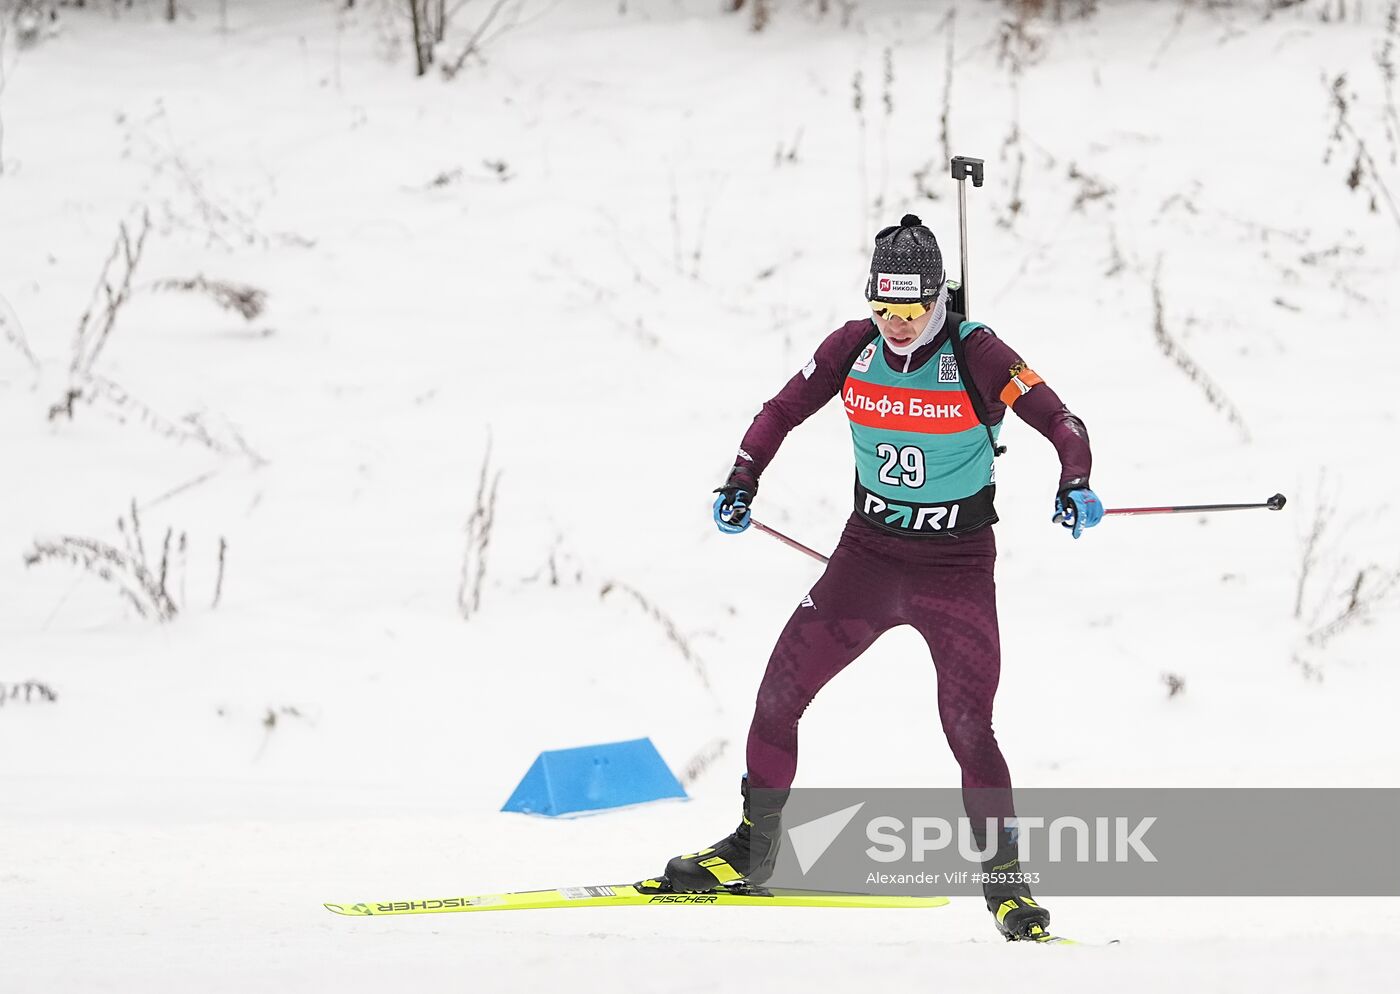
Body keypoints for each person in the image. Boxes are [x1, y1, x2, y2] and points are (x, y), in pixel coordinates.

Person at [641, 214, 1102, 940]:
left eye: (911, 310)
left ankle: (1007, 886)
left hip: (954, 569)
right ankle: (752, 850)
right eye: (883, 307)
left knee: (967, 727)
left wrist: (1074, 480)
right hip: (867, 558)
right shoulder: (853, 346)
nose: (895, 324)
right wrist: (742, 477)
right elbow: (781, 409)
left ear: (937, 298)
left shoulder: (976, 352)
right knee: (777, 697)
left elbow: (1062, 420)